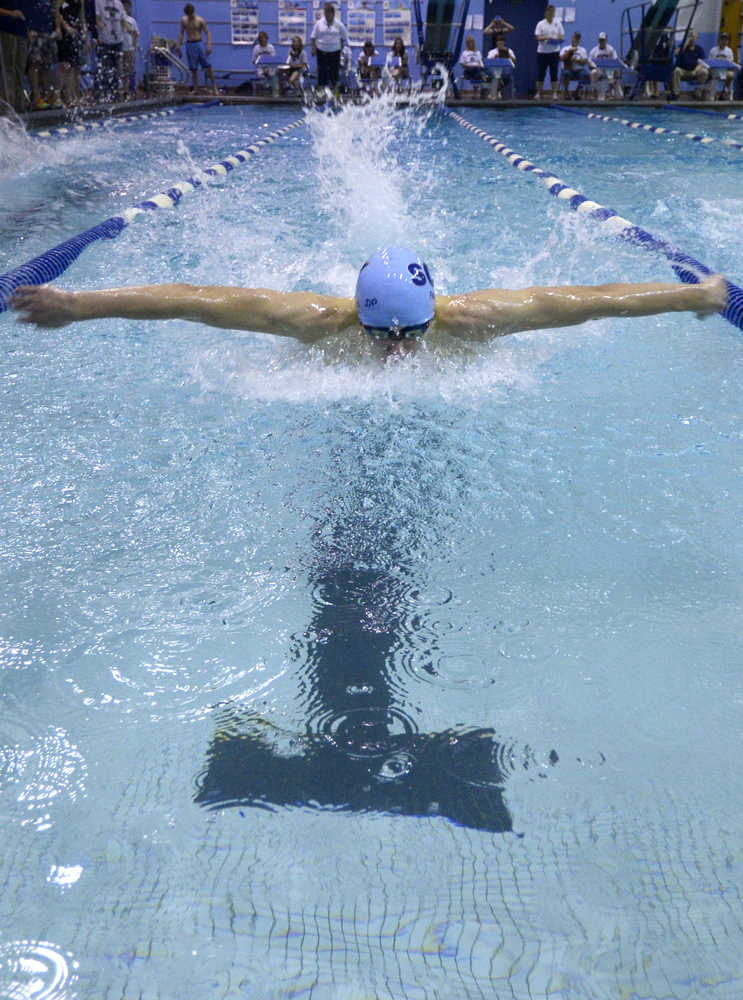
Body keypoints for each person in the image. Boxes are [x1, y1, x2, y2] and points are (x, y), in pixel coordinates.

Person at [10, 247, 728, 360]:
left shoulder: (475, 318)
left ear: (433, 310)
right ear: (356, 315)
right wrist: (79, 304)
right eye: (383, 339)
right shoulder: (311, 320)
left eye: (408, 337)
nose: (397, 353)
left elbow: (593, 302)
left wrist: (693, 295)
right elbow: (192, 300)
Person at [26, 0, 60, 108]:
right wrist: (27, 29)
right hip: (34, 30)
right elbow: (24, 7)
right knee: (34, 64)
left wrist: (57, 27)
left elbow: (55, 10)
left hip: (48, 31)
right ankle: (36, 96)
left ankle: (47, 95)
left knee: (46, 66)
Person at [177, 2, 217, 95]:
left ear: (193, 12)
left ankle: (214, 87)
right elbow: (181, 33)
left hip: (199, 44)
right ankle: (195, 89)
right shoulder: (184, 20)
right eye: (188, 15)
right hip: (189, 45)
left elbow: (207, 32)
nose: (189, 16)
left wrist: (209, 44)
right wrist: (178, 45)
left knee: (208, 66)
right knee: (193, 69)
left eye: (190, 14)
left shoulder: (200, 20)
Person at [310, 2, 347, 94]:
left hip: (335, 52)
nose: (326, 15)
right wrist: (313, 49)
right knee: (321, 75)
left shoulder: (339, 25)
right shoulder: (319, 23)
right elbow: (313, 37)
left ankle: (336, 97)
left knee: (334, 76)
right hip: (321, 51)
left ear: (333, 14)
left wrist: (340, 49)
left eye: (328, 13)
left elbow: (343, 39)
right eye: (325, 13)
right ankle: (320, 97)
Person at [0, 1, 30, 111]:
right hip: (6, 30)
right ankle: (8, 102)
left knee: (20, 68)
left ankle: (19, 101)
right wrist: (11, 13)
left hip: (22, 32)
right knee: (8, 68)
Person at [56, 0, 88, 105]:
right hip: (65, 33)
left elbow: (82, 17)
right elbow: (56, 11)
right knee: (66, 66)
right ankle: (62, 96)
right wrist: (63, 26)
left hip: (76, 32)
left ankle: (74, 95)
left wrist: (85, 35)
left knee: (76, 67)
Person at [94, 0, 127, 102]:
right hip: (105, 41)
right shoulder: (99, 2)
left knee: (117, 69)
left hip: (118, 41)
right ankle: (103, 93)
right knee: (104, 68)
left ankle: (115, 93)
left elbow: (123, 19)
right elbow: (97, 18)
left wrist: (124, 30)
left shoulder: (118, 3)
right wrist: (102, 28)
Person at [534, 3, 564, 100]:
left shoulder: (558, 23)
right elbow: (538, 37)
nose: (551, 14)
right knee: (541, 73)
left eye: (552, 12)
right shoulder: (540, 24)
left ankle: (554, 93)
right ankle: (538, 93)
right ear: (546, 13)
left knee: (554, 73)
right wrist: (547, 37)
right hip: (542, 52)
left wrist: (556, 39)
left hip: (554, 52)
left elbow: (561, 36)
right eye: (549, 12)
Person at [671, 29, 709, 100]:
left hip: (694, 71)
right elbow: (677, 54)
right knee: (676, 70)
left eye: (693, 37)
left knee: (705, 72)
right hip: (683, 71)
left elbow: (702, 63)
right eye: (690, 36)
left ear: (696, 38)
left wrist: (695, 71)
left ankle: (697, 92)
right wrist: (686, 43)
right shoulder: (682, 46)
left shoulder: (699, 49)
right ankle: (676, 93)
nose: (692, 38)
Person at [589, 31, 623, 100]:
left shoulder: (611, 49)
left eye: (603, 40)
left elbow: (615, 60)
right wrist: (594, 66)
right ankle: (594, 91)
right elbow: (590, 62)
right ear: (598, 40)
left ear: (606, 40)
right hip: (598, 70)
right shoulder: (594, 50)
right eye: (600, 40)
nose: (601, 42)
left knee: (611, 72)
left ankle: (609, 92)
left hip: (608, 69)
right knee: (593, 73)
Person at [708, 31, 740, 100]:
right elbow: (709, 63)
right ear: (719, 40)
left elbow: (731, 64)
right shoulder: (713, 50)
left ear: (727, 41)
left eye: (725, 39)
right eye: (722, 39)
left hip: (725, 71)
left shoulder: (729, 51)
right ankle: (712, 96)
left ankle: (723, 92)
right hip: (715, 71)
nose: (723, 41)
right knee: (714, 75)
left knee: (731, 75)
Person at [559, 31, 590, 99]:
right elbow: (561, 58)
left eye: (578, 39)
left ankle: (577, 91)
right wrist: (570, 52)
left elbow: (584, 62)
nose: (576, 40)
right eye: (575, 38)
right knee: (566, 73)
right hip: (568, 70)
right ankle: (566, 92)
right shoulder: (565, 48)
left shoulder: (582, 50)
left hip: (578, 71)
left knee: (585, 74)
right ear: (572, 38)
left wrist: (577, 60)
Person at [486, 33, 516, 98]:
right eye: (499, 43)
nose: (500, 44)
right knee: (496, 72)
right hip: (495, 70)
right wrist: (494, 58)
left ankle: (496, 90)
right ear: (496, 43)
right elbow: (488, 63)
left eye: (502, 43)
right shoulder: (492, 52)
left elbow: (514, 61)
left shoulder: (509, 50)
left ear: (504, 43)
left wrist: (508, 55)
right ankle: (498, 90)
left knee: (502, 74)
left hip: (506, 70)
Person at [119, 0, 137, 98]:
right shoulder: (117, 19)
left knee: (129, 71)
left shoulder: (132, 20)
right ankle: (122, 89)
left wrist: (134, 46)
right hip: (120, 48)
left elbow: (136, 34)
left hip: (129, 48)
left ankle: (128, 90)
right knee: (121, 71)